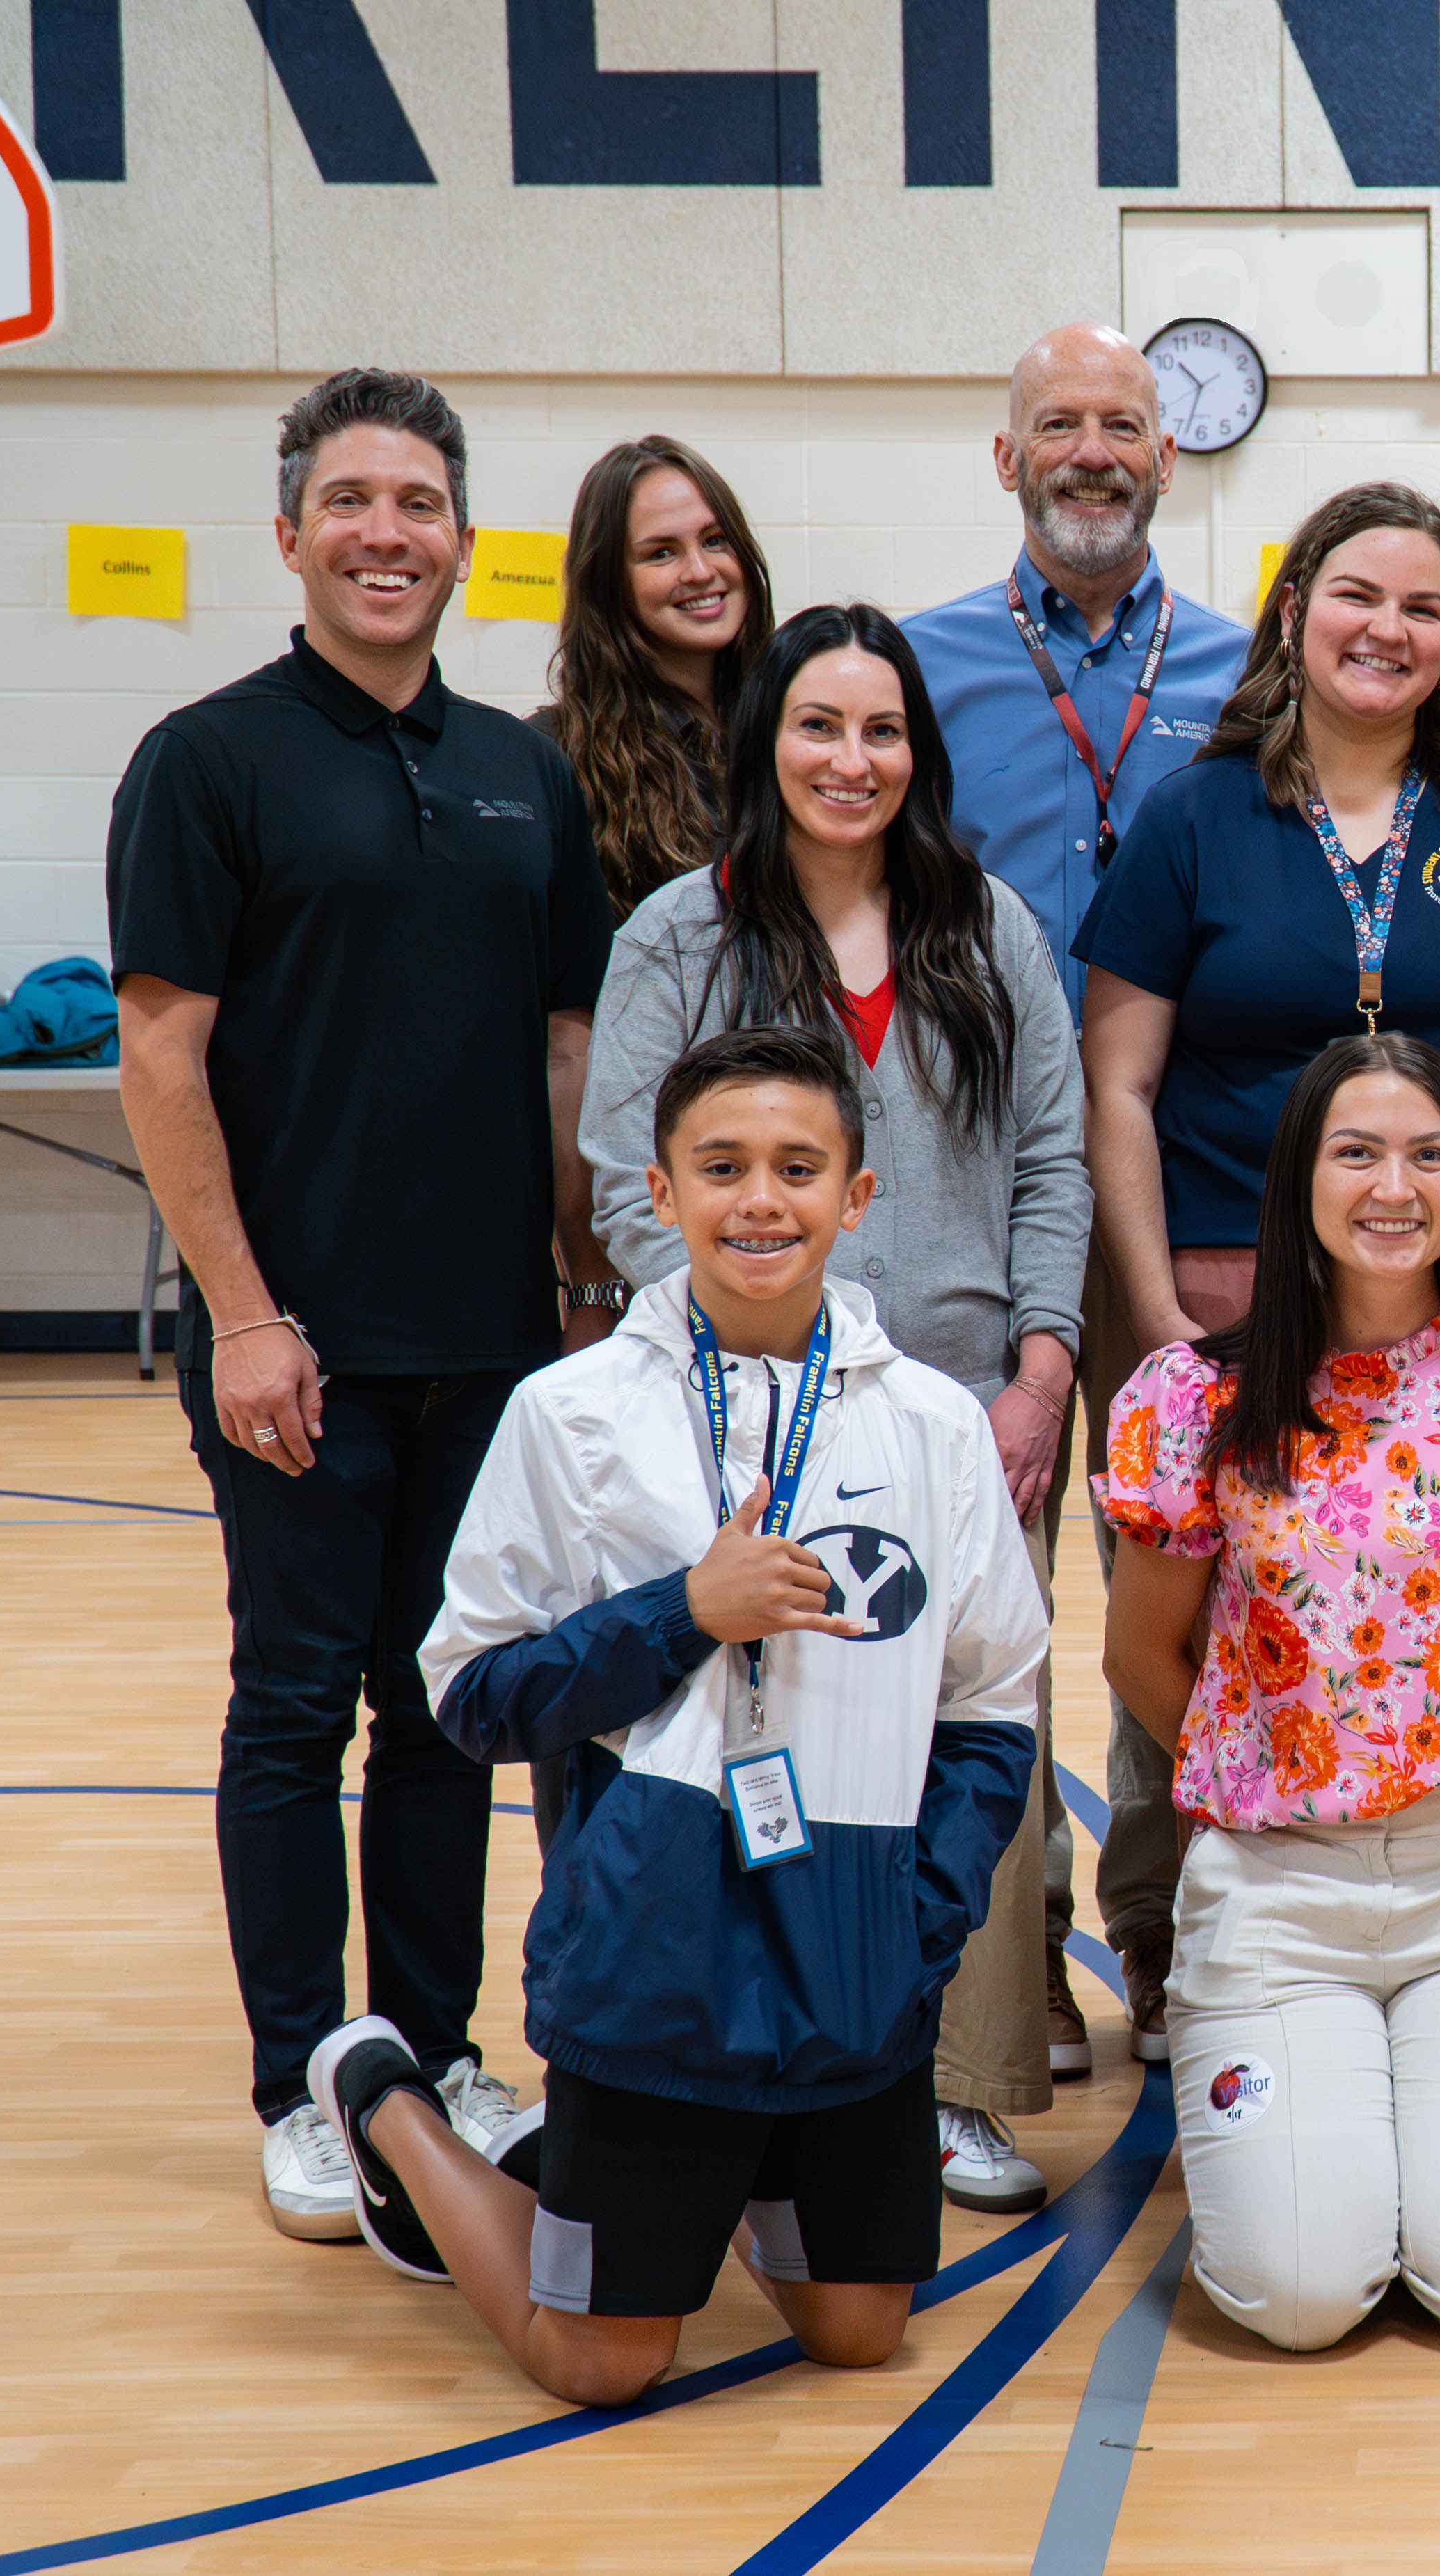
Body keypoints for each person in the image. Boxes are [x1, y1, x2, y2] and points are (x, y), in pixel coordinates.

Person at [321, 1025, 1043, 2407]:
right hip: (655, 1955)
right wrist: (678, 1611)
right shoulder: (568, 1411)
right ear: (660, 1191)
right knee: (598, 2358)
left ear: (857, 1194)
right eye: (721, 1166)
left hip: (849, 1957)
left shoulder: (936, 1426)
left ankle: (718, 2181)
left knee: (858, 2331)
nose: (758, 1199)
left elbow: (993, 1699)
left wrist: (919, 1902)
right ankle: (390, 2107)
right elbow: (470, 1694)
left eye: (796, 1166)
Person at [106, 366, 612, 2241]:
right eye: (350, 500)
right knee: (293, 1704)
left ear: (461, 539)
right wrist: (244, 1310)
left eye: (417, 501)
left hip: (489, 1344)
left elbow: (564, 1046)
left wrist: (572, 1284)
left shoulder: (520, 769)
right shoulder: (211, 758)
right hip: (299, 1342)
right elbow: (162, 1053)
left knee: (443, 1703)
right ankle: (303, 2075)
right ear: (290, 533)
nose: (384, 531)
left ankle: (429, 2048)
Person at [580, 601, 1089, 2217]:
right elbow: (625, 1180)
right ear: (766, 744)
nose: (849, 760)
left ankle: (962, 2080)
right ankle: (758, 2056)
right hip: (747, 1411)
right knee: (768, 1726)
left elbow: (1052, 1164)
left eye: (880, 732)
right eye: (817, 726)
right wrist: (748, 1364)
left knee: (974, 1729)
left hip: (962, 1418)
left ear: (916, 755)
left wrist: (1040, 1370)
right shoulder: (680, 930)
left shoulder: (988, 924)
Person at [1093, 1034, 1440, 2350]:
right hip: (1277, 1885)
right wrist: (1283, 1766)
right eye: (1357, 1152)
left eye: (1429, 1153)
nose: (1392, 1185)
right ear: (1299, 1176)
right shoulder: (1200, 1397)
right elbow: (1140, 1660)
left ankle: (1417, 2139)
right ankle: (1335, 2151)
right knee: (1296, 2303)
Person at [903, 322, 1247, 2074]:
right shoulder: (922, 666)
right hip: (980, 1202)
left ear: (1165, 459)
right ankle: (1006, 1953)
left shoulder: (1254, 668)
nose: (1092, 450)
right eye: (1060, 423)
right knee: (992, 1605)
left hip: (1188, 1202)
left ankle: (1172, 1927)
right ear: (1006, 453)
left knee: (1183, 1580)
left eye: (1122, 424)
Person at [1077, 477, 1440, 1350]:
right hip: (1238, 1270)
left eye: (1422, 607)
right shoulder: (1188, 819)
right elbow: (1118, 1087)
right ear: (1293, 613)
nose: (1386, 629)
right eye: (1356, 596)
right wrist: (1156, 1312)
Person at [537, 433, 777, 921]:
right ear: (609, 583)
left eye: (715, 541)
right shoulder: (554, 758)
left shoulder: (788, 724)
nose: (700, 570)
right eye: (661, 553)